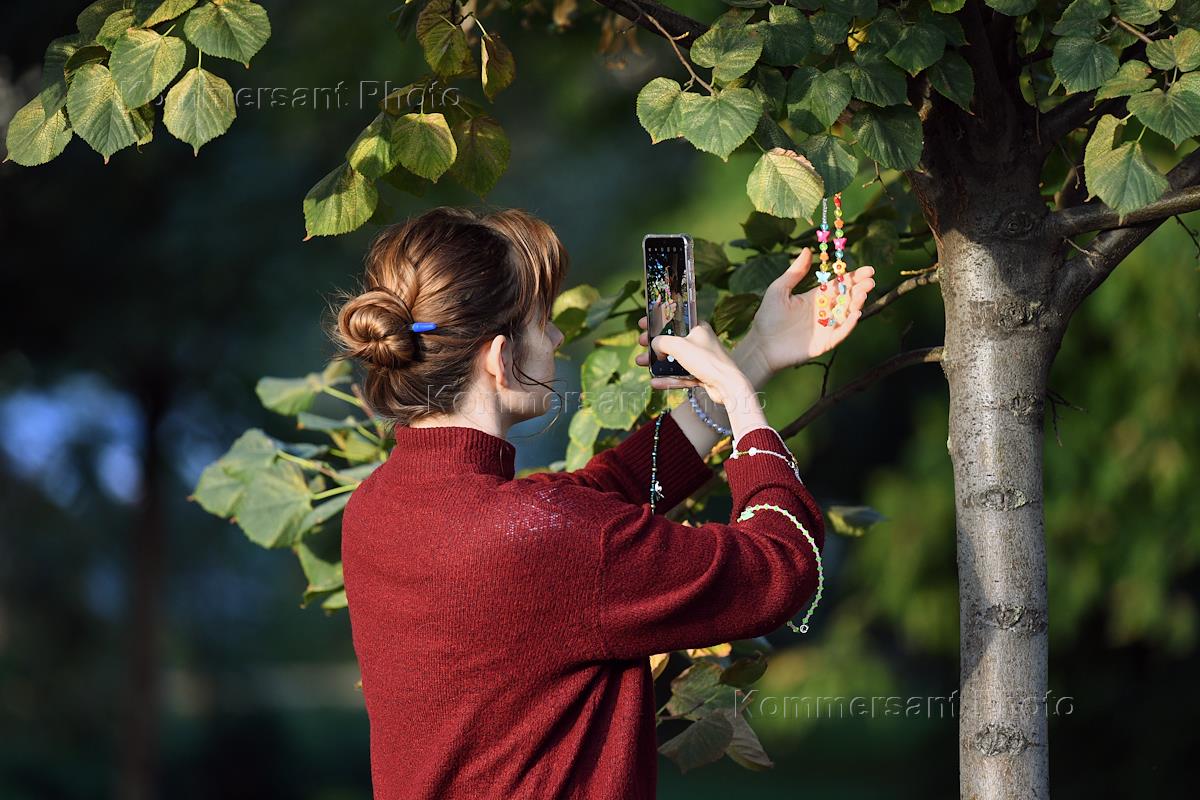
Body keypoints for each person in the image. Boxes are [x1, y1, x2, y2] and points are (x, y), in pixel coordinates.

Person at [332, 206, 876, 799]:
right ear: (499, 360)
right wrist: (741, 399)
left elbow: (600, 496)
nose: (557, 337)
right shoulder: (546, 537)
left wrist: (756, 354)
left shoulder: (375, 508)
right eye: (542, 322)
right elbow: (780, 568)